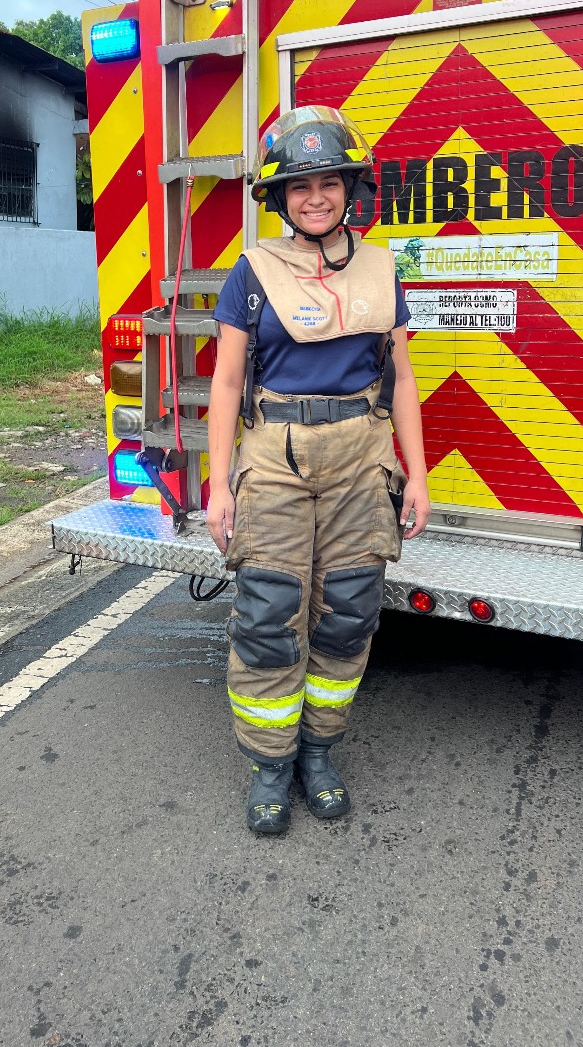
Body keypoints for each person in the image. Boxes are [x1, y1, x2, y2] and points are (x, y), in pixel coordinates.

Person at [207, 105, 430, 835]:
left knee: (349, 611)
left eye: (329, 182)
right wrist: (218, 484)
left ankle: (319, 752)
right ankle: (271, 765)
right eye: (300, 187)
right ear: (278, 198)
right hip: (274, 456)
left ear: (348, 189)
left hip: (362, 457)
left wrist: (416, 474)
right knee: (270, 614)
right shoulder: (254, 271)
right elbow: (226, 383)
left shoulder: (378, 266)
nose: (316, 197)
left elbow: (400, 378)